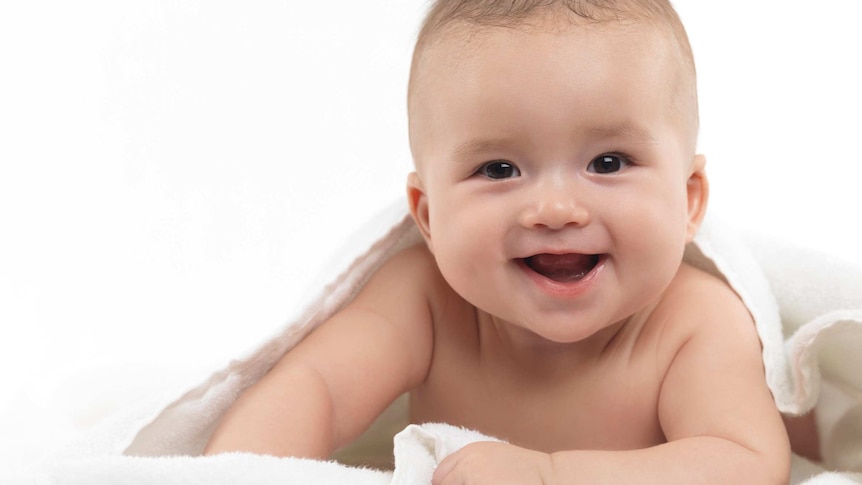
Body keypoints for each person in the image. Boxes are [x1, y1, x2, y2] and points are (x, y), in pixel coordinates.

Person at [205, 1, 795, 482]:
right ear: (429, 217)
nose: (555, 210)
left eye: (608, 162)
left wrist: (549, 476)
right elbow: (317, 389)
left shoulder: (692, 321)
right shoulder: (425, 301)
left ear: (688, 198)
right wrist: (238, 472)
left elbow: (745, 461)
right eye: (498, 169)